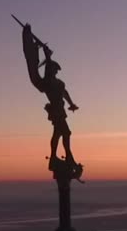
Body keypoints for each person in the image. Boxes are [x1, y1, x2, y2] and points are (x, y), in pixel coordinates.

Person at [22, 23, 82, 180]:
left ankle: (56, 157)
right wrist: (47, 56)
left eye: (55, 70)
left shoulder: (58, 83)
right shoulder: (48, 83)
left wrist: (71, 104)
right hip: (55, 111)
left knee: (58, 133)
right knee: (65, 133)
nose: (56, 71)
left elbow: (65, 93)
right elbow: (47, 70)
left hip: (60, 110)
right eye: (54, 69)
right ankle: (68, 157)